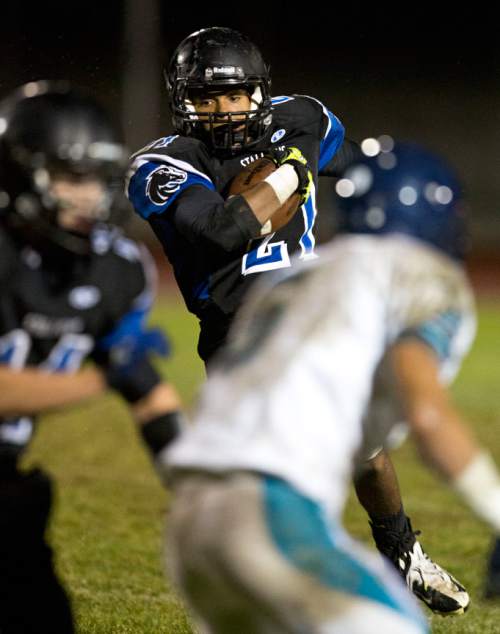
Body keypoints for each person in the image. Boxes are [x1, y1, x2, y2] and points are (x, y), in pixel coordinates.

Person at [127, 26, 468, 614]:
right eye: (206, 97)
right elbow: (224, 230)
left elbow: (362, 170)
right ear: (182, 100)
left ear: (260, 91)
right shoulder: (163, 164)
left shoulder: (304, 117)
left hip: (317, 309)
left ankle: (403, 555)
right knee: (273, 472)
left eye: (234, 95)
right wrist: (289, 170)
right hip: (242, 335)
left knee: (368, 440)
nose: (223, 110)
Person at [160, 141, 500, 633]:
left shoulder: (295, 278)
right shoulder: (422, 277)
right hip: (271, 510)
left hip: (192, 517)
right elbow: (426, 415)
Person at [0, 81, 183, 634]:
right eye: (70, 178)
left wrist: (201, 490)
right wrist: (97, 383)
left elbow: (147, 391)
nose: (88, 197)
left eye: (94, 180)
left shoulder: (114, 271)